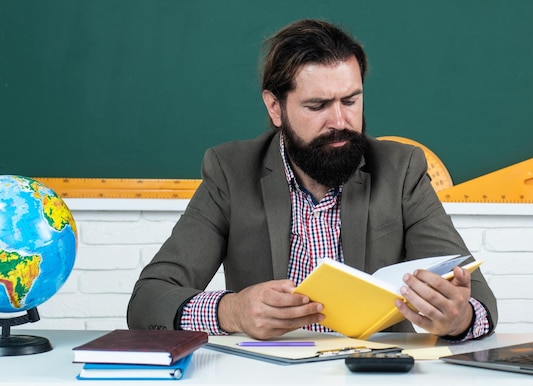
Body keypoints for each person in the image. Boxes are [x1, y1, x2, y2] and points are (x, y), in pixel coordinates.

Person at [127, 19, 498, 341]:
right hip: (269, 373)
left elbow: (478, 297)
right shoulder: (230, 170)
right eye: (317, 106)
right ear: (275, 107)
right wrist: (233, 311)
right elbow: (148, 300)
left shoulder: (401, 170)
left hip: (370, 375)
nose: (340, 121)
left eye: (351, 101)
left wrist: (460, 318)